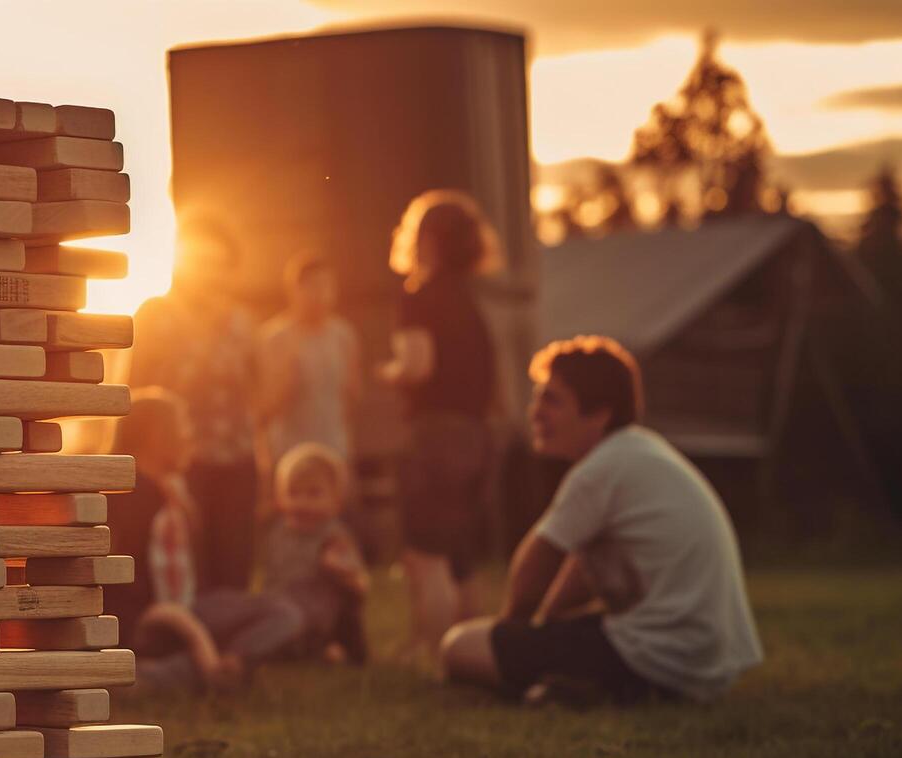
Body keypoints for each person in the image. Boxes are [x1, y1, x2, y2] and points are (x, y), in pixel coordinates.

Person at [440, 336, 764, 703]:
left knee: (460, 646)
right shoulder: (637, 452)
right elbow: (581, 571)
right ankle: (577, 685)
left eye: (552, 400)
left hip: (657, 656)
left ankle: (602, 689)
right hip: (702, 663)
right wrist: (543, 633)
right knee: (531, 640)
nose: (535, 412)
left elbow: (539, 557)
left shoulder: (601, 467)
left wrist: (510, 639)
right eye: (537, 398)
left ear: (599, 414)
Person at [107, 388, 301, 693]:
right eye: (182, 426)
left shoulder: (175, 491)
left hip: (191, 608)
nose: (189, 436)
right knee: (279, 617)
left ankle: (226, 665)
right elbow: (131, 596)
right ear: (157, 434)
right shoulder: (125, 497)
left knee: (284, 613)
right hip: (149, 622)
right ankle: (188, 671)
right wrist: (197, 640)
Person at [379, 189, 502, 661]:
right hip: (475, 435)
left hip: (433, 436)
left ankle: (432, 654)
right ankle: (474, 654)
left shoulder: (421, 296)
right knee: (463, 557)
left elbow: (418, 366)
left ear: (426, 240)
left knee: (426, 556)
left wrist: (389, 372)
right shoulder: (472, 301)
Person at [130, 215, 261, 591]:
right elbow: (135, 393)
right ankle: (191, 641)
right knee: (188, 566)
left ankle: (232, 643)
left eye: (219, 265)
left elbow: (258, 397)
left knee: (235, 562)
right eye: (201, 262)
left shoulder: (243, 321)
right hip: (177, 463)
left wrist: (264, 464)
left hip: (237, 461)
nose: (210, 274)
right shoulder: (155, 314)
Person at [261, 443, 370, 666]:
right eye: (293, 493)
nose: (302, 502)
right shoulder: (280, 533)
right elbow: (271, 574)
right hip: (281, 607)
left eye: (314, 494)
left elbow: (358, 584)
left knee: (327, 623)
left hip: (319, 615)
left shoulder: (333, 536)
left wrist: (339, 568)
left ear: (336, 500)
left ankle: (330, 648)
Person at [258, 253, 363, 472]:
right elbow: (267, 406)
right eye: (312, 286)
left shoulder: (343, 335)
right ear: (294, 290)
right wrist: (289, 377)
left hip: (335, 448)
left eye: (326, 286)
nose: (320, 294)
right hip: (290, 451)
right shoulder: (275, 337)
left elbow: (353, 395)